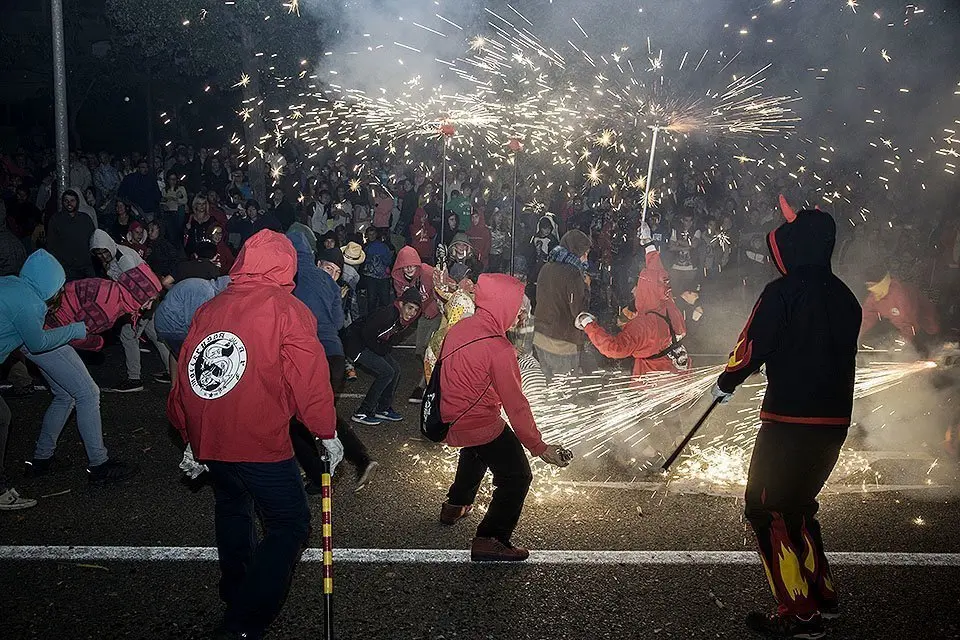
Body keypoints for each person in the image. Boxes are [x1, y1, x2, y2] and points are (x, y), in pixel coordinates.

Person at [168, 230, 336, 640]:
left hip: (213, 437)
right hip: (258, 438)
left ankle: (236, 590)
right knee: (288, 523)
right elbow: (309, 379)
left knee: (232, 507)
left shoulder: (212, 307)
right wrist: (326, 431)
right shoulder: (286, 308)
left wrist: (188, 431)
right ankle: (244, 622)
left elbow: (187, 376)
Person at [711, 201, 861, 638]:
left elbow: (753, 345)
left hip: (788, 419)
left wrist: (727, 381)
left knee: (764, 508)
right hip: (834, 421)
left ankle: (798, 612)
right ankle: (823, 597)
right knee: (798, 506)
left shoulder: (784, 291)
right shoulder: (845, 296)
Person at [438, 273, 570, 561]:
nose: (520, 314)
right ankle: (491, 538)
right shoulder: (499, 348)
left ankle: (455, 504)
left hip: (451, 415)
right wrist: (539, 447)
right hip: (477, 419)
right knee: (517, 475)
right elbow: (516, 405)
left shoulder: (459, 329)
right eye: (517, 307)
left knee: (477, 450)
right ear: (503, 306)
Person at [5, 251, 138, 488]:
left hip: (27, 343)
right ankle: (99, 465)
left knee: (65, 395)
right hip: (39, 341)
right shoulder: (31, 303)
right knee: (88, 393)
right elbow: (38, 343)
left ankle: (42, 460)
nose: (59, 292)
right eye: (57, 286)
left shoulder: (14, 284)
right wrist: (77, 330)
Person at [287, 231, 377, 490]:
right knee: (322, 414)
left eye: (337, 270)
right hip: (335, 357)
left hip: (311, 357)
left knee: (298, 419)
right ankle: (360, 459)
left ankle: (320, 475)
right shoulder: (330, 285)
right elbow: (338, 323)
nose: (332, 273)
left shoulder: (289, 277)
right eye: (329, 267)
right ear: (316, 261)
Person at [577, 236, 690, 378]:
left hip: (653, 382)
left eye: (637, 286)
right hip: (680, 374)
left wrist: (588, 324)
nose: (633, 291)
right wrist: (649, 244)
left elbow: (614, 348)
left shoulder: (643, 326)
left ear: (645, 290)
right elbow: (658, 275)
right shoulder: (669, 306)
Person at [90, 229, 171, 391]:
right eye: (98, 254)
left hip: (143, 299)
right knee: (155, 335)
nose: (102, 257)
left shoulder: (123, 258)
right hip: (149, 298)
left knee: (128, 336)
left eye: (104, 252)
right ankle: (171, 371)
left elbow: (135, 286)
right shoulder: (115, 254)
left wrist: (131, 310)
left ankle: (134, 379)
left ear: (109, 247)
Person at [345, 287, 421, 425]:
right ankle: (363, 411)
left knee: (395, 369)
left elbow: (389, 338)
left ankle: (383, 409)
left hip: (372, 343)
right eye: (410, 308)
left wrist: (383, 349)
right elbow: (367, 332)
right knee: (386, 372)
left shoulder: (403, 320)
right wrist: (380, 350)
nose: (412, 313)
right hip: (356, 343)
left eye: (416, 310)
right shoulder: (388, 314)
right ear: (402, 304)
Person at [532, 229, 592, 383]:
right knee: (564, 392)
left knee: (547, 388)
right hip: (562, 342)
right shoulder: (573, 274)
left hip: (540, 336)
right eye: (585, 253)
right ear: (576, 251)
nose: (586, 258)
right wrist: (586, 288)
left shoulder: (546, 267)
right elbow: (578, 313)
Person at [391, 245, 441, 403]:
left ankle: (424, 385)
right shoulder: (398, 280)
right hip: (422, 316)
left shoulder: (428, 272)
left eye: (412, 265)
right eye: (405, 266)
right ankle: (433, 376)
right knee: (420, 349)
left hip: (437, 313)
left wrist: (434, 306)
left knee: (430, 348)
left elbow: (445, 286)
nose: (409, 269)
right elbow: (402, 301)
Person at [859, 270, 940, 356]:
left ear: (880, 283)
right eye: (868, 286)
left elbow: (910, 323)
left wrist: (901, 344)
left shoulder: (899, 295)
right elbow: (866, 317)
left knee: (926, 346)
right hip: (904, 326)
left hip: (924, 324)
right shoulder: (875, 297)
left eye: (872, 285)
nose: (869, 288)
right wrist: (855, 334)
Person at [46, 189, 96, 280]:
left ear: (77, 201)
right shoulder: (56, 219)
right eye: (66, 201)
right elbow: (51, 243)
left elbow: (93, 239)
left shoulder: (85, 218)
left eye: (72, 200)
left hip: (86, 266)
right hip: (67, 268)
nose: (69, 203)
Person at [361, 226, 394, 314]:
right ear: (367, 235)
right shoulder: (365, 247)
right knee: (373, 300)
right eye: (370, 234)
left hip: (382, 277)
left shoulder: (383, 246)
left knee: (382, 300)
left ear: (376, 235)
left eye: (373, 234)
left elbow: (388, 261)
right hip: (371, 277)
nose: (372, 236)